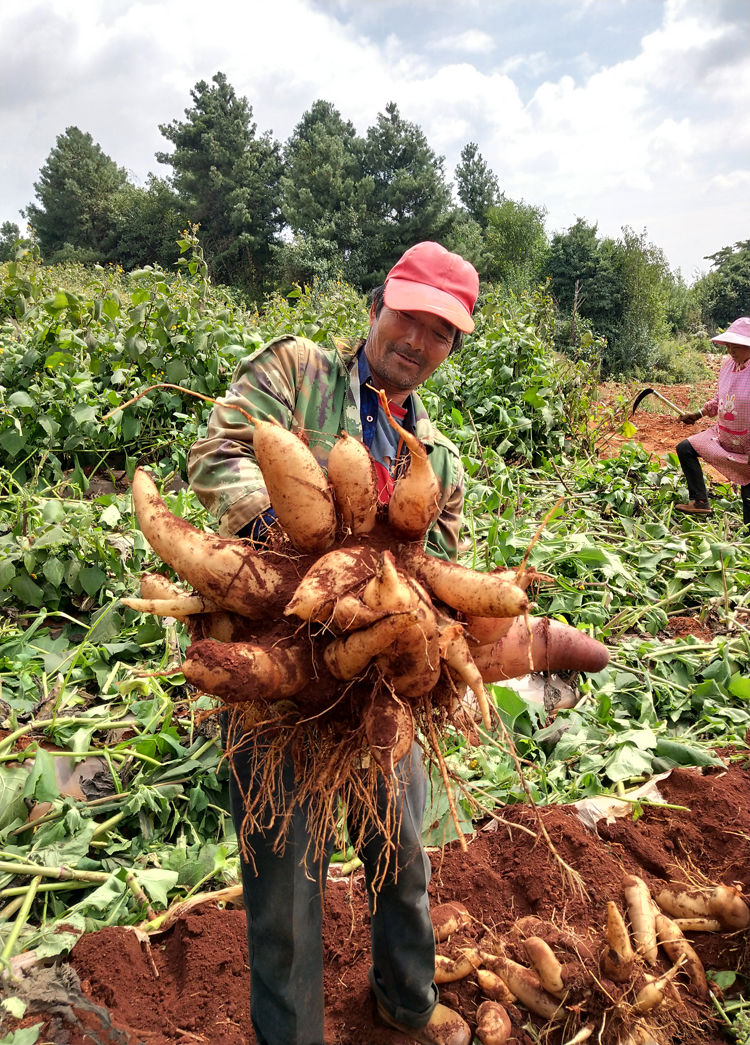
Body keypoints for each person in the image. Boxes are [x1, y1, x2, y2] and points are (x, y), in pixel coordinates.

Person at [187, 242, 479, 1045]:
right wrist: (290, 545)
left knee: (404, 853)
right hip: (276, 671)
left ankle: (406, 1002)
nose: (417, 342)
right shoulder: (295, 373)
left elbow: (439, 570)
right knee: (284, 889)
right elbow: (216, 453)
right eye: (408, 317)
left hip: (379, 688)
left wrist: (399, 618)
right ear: (377, 304)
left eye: (440, 332)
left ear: (453, 347)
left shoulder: (441, 460)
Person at [675, 316, 750, 526]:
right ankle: (699, 501)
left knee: (749, 492)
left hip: (748, 444)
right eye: (729, 346)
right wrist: (697, 414)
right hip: (723, 435)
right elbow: (720, 400)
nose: (731, 351)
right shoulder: (728, 366)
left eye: (737, 346)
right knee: (685, 448)